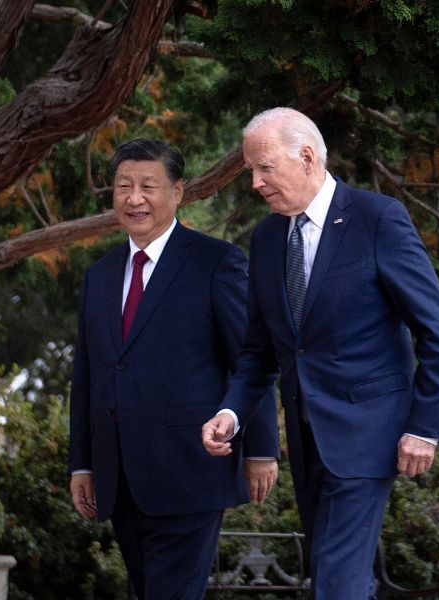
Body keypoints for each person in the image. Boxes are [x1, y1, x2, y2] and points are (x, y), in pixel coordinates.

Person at [201, 108, 439, 599]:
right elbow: (260, 352)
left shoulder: (377, 219)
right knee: (336, 577)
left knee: (336, 582)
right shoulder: (267, 238)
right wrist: (230, 413)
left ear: (305, 157)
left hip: (368, 435)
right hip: (307, 440)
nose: (255, 183)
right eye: (251, 170)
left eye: (264, 168)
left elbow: (436, 328)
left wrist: (425, 427)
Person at [68, 138, 279, 600]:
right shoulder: (99, 276)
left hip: (190, 468)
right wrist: (82, 462)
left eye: (148, 186)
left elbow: (251, 358)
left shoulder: (216, 262)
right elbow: (87, 376)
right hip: (119, 474)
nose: (134, 198)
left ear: (178, 191)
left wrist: (262, 449)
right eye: (123, 186)